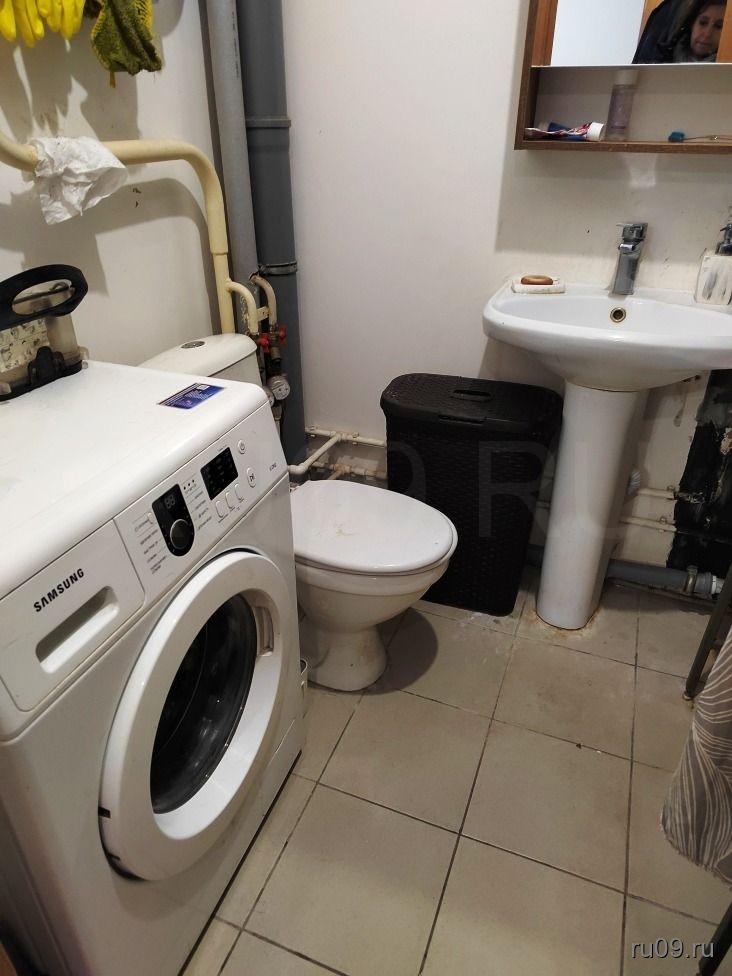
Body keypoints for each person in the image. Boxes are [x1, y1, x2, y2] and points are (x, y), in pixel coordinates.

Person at [634, 0, 727, 63]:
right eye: (703, 23)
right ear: (692, 24)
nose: (707, 34)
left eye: (719, 26)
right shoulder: (663, 55)